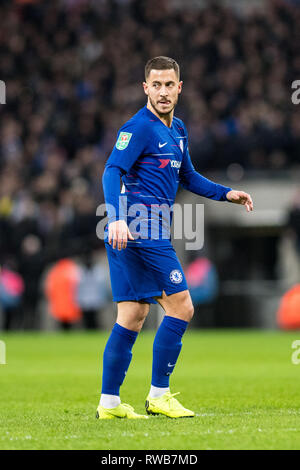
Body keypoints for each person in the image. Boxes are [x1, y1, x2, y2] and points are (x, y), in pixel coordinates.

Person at [98, 56, 253, 420]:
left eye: (170, 85)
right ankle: (159, 396)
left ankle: (109, 404)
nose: (163, 92)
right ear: (145, 88)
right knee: (182, 306)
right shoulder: (138, 128)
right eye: (157, 85)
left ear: (179, 88)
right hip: (140, 228)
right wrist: (117, 218)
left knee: (132, 314)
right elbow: (111, 170)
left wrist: (226, 193)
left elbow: (189, 176)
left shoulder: (177, 129)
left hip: (136, 232)